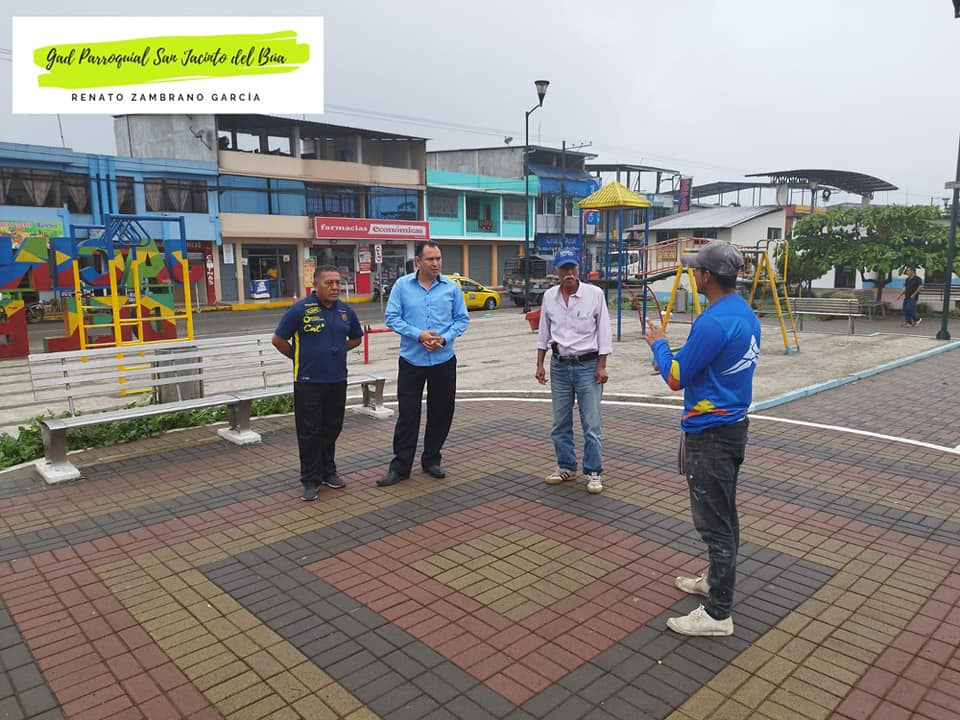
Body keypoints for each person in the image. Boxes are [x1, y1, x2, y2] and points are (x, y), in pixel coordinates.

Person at [643, 240, 760, 637]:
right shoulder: (743, 313)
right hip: (732, 427)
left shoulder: (712, 321)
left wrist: (659, 344)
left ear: (707, 276)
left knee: (714, 523)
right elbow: (710, 361)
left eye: (696, 269)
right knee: (725, 515)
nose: (693, 274)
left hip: (710, 433)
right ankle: (714, 580)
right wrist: (676, 354)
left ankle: (718, 614)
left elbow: (676, 377)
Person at [378, 241, 469, 487]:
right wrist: (419, 335)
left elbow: (462, 320)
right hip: (412, 360)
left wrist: (444, 338)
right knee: (408, 414)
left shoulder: (451, 288)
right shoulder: (402, 286)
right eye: (430, 259)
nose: (436, 263)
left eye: (438, 258)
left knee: (441, 411)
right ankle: (400, 467)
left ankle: (431, 459)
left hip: (443, 359)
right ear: (418, 261)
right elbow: (392, 317)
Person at [272, 265, 363, 501]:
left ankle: (328, 471)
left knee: (332, 428)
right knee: (309, 432)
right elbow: (278, 339)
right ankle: (310, 479)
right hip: (308, 381)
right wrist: (299, 357)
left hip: (337, 379)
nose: (335, 287)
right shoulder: (300, 310)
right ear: (315, 285)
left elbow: (356, 338)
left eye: (338, 283)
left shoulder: (345, 310)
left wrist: (337, 350)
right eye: (329, 283)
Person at [535, 249, 611, 494]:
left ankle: (594, 471)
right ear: (556, 271)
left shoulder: (594, 295)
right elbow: (544, 333)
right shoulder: (549, 297)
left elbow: (604, 332)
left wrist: (602, 365)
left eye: (572, 268)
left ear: (578, 269)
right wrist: (539, 364)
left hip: (587, 366)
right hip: (559, 365)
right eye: (564, 269)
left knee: (592, 423)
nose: (569, 273)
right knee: (560, 422)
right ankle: (566, 466)